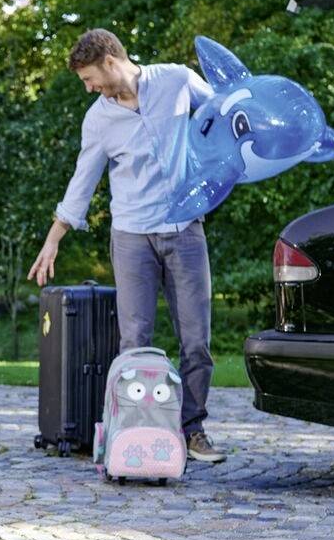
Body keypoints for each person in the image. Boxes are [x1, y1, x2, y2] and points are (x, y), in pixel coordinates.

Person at [27, 28, 223, 461]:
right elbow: (83, 180)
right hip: (132, 235)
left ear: (111, 61)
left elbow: (222, 118)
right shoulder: (98, 119)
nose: (89, 88)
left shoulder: (176, 81)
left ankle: (192, 430)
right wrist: (54, 237)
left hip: (185, 229)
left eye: (89, 78)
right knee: (134, 341)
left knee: (197, 341)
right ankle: (137, 434)